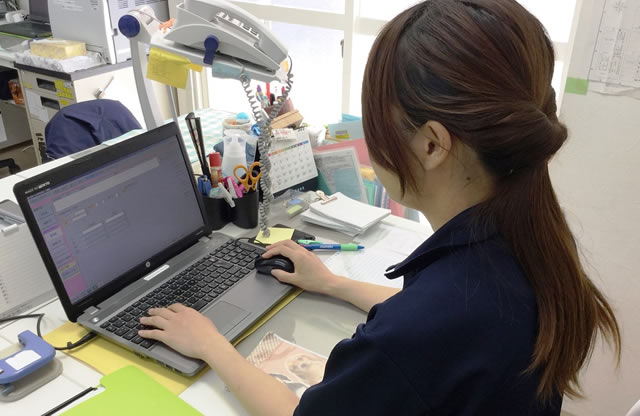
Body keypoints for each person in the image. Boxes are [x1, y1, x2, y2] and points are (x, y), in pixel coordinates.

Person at [138, 0, 621, 414]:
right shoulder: (527, 239)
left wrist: (211, 345)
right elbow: (446, 326)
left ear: (432, 145)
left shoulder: (413, 337)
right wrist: (333, 283)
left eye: (377, 121)